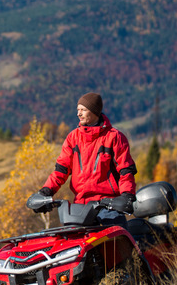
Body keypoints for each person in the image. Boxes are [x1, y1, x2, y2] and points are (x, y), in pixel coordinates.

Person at [35, 92, 137, 225]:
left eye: (83, 110)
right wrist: (46, 191)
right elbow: (61, 171)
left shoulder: (115, 137)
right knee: (70, 244)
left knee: (117, 243)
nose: (79, 114)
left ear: (94, 111)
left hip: (109, 207)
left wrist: (127, 196)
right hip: (79, 209)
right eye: (78, 110)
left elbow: (126, 171)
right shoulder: (73, 138)